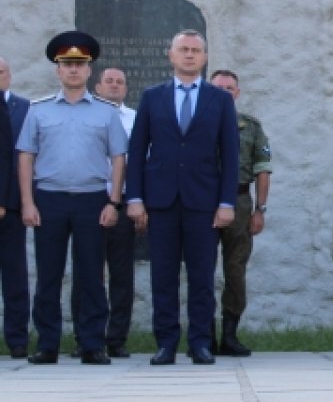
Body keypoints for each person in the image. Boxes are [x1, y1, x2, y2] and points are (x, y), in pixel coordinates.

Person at [126, 30, 239, 366]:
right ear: (170, 55)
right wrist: (135, 198)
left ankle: (201, 342)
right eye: (183, 50)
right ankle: (166, 343)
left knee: (203, 276)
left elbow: (230, 155)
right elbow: (137, 149)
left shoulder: (218, 100)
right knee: (163, 275)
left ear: (205, 57)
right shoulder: (152, 97)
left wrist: (227, 202)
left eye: (196, 50)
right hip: (160, 201)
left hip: (203, 203)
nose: (189, 55)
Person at [16, 32, 125, 365]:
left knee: (91, 274)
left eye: (79, 64)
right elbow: (25, 157)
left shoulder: (106, 113)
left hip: (92, 199)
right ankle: (48, 344)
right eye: (67, 65)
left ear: (90, 70)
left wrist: (113, 202)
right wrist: (27, 202)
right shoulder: (38, 111)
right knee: (49, 274)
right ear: (57, 70)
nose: (73, 71)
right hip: (48, 199)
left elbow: (119, 157)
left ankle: (91, 343)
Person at [74, 67, 138, 358]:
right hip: (88, 201)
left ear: (126, 89)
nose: (114, 86)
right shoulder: (84, 114)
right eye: (109, 81)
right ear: (97, 86)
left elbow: (141, 164)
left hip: (122, 203)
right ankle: (86, 337)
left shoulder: (135, 119)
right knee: (87, 272)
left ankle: (116, 338)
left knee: (121, 273)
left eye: (120, 82)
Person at [209, 69, 272, 357]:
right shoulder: (196, 123)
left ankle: (230, 335)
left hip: (239, 200)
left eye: (229, 88)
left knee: (236, 269)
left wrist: (260, 209)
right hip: (203, 203)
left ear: (237, 93)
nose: (224, 92)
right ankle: (204, 335)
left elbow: (262, 169)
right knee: (202, 270)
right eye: (218, 88)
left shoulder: (251, 126)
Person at [0, 57, 31, 359]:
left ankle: (17, 339)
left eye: (1, 72)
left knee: (15, 277)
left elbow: (24, 157)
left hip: (12, 206)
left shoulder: (24, 109)